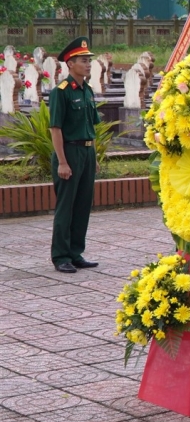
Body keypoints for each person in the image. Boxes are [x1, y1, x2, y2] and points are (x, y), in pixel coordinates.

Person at [48, 37, 100, 273]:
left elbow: (91, 127)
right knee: (66, 206)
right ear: (70, 64)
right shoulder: (62, 92)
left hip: (87, 153)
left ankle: (75, 252)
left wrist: (95, 157)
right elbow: (56, 128)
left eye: (89, 60)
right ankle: (61, 256)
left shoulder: (87, 91)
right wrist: (62, 161)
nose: (88, 64)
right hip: (69, 151)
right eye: (83, 60)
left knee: (82, 205)